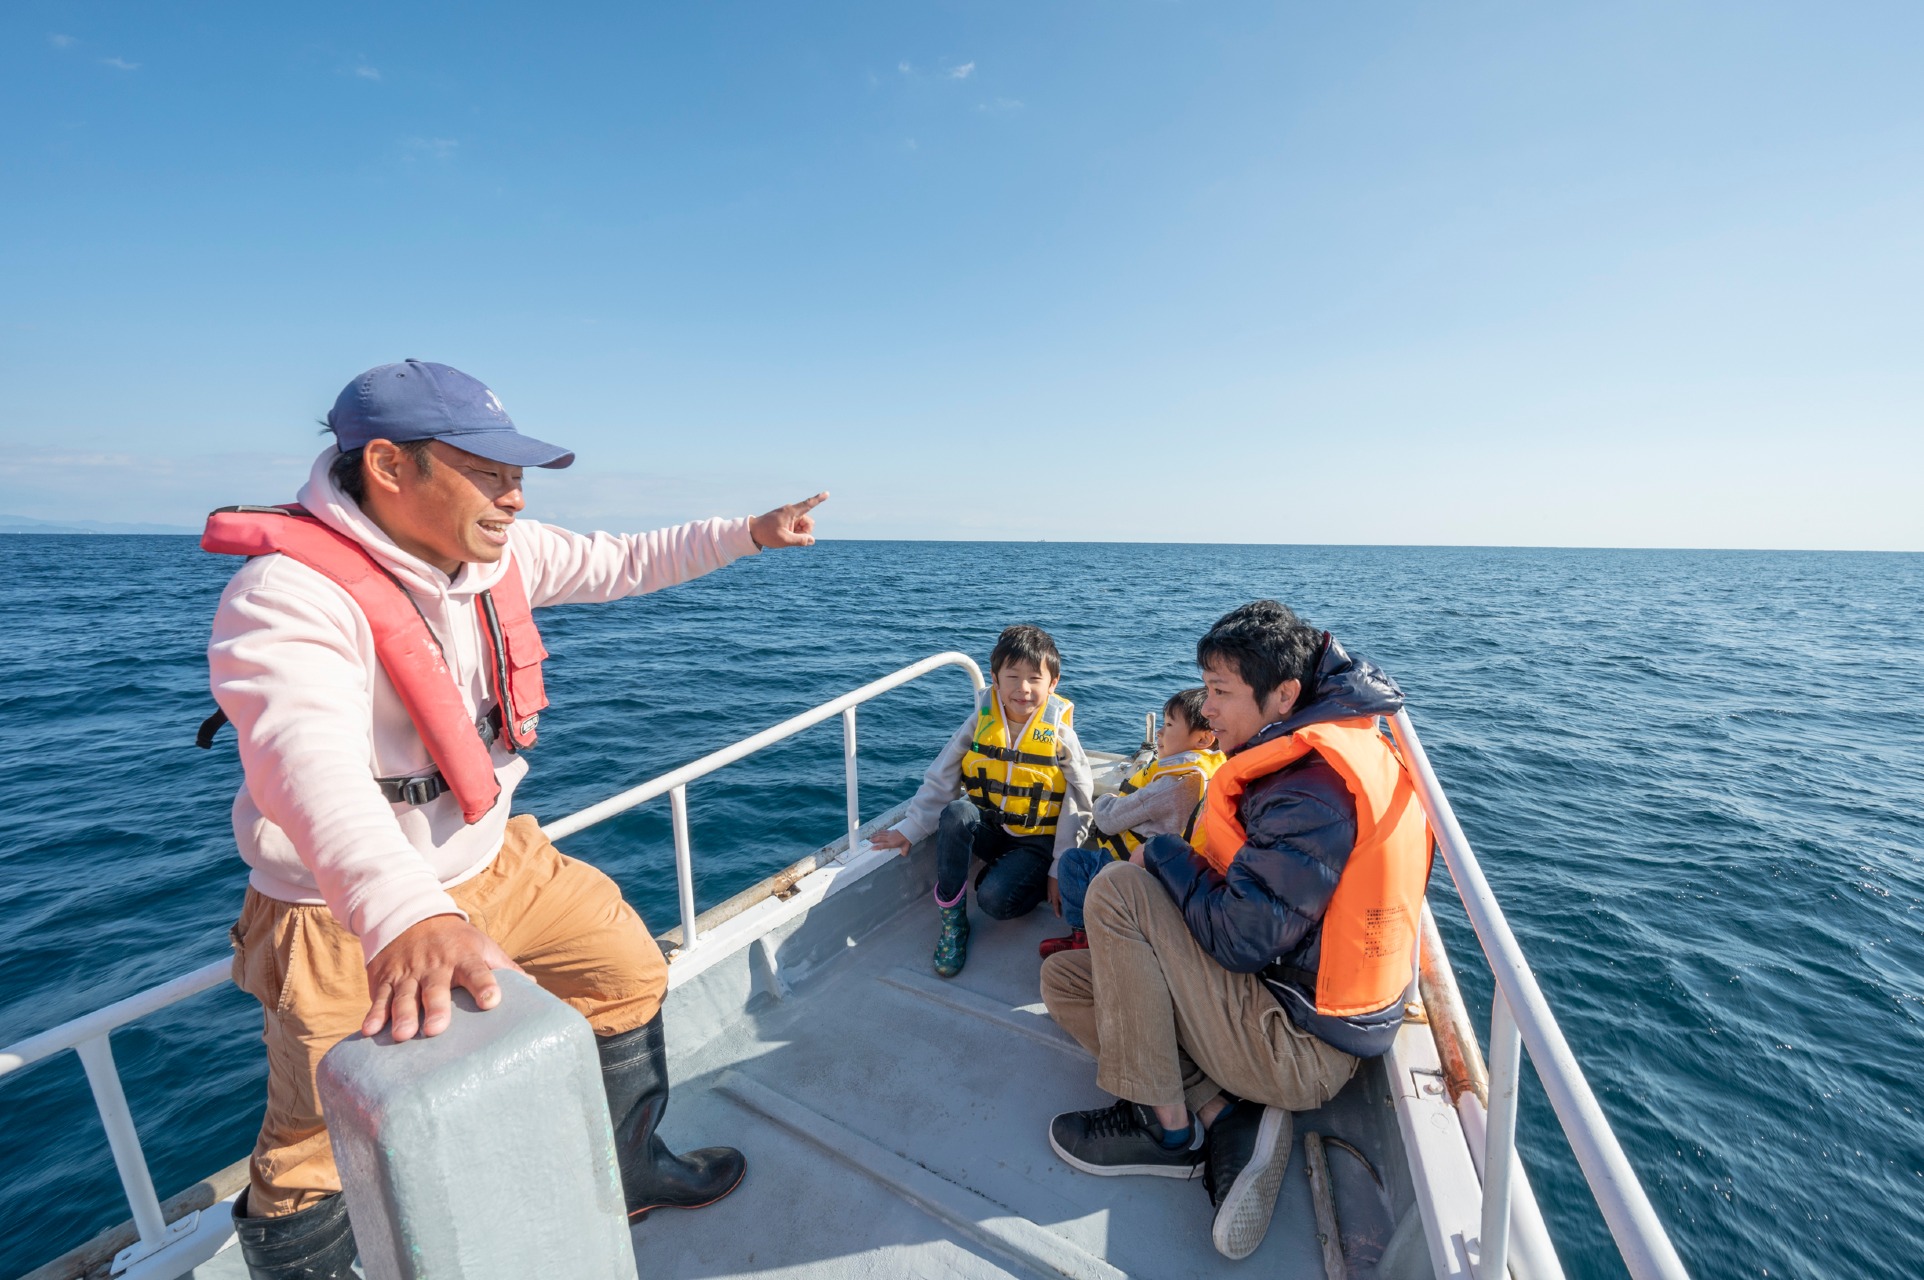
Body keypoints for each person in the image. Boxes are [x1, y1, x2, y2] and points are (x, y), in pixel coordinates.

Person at [204, 359, 827, 1280]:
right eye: (488, 473)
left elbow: (624, 560)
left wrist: (749, 534)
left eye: (517, 475)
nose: (516, 496)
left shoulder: (501, 557)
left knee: (624, 970)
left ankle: (630, 1171)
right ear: (388, 465)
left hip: (494, 862)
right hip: (341, 913)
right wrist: (407, 914)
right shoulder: (285, 597)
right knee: (312, 1143)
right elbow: (307, 768)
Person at [1039, 601, 1431, 1261]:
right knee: (1067, 982)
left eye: (1220, 692)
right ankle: (1223, 1112)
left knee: (1117, 888)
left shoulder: (1312, 792)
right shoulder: (1308, 752)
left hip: (1296, 1046)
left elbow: (1240, 939)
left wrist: (1163, 855)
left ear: (1284, 695)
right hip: (1269, 998)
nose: (1207, 708)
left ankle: (1165, 1131)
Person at [869, 625, 1093, 978]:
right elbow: (942, 775)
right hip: (991, 828)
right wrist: (911, 828)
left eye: (1034, 679)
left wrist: (1058, 868)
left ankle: (1020, 878)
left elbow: (1078, 802)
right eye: (1012, 676)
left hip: (1036, 842)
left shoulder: (1060, 736)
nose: (1023, 688)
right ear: (995, 679)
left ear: (1053, 683)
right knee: (957, 811)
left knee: (994, 900)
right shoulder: (980, 722)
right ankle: (953, 922)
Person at [1039, 687, 1224, 959]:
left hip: (1135, 875)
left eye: (1169, 725)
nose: (1159, 732)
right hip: (1172, 878)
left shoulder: (1174, 784)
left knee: (1073, 862)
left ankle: (1083, 938)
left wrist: (1109, 799)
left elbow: (1107, 820)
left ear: (1203, 739)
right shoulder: (1211, 773)